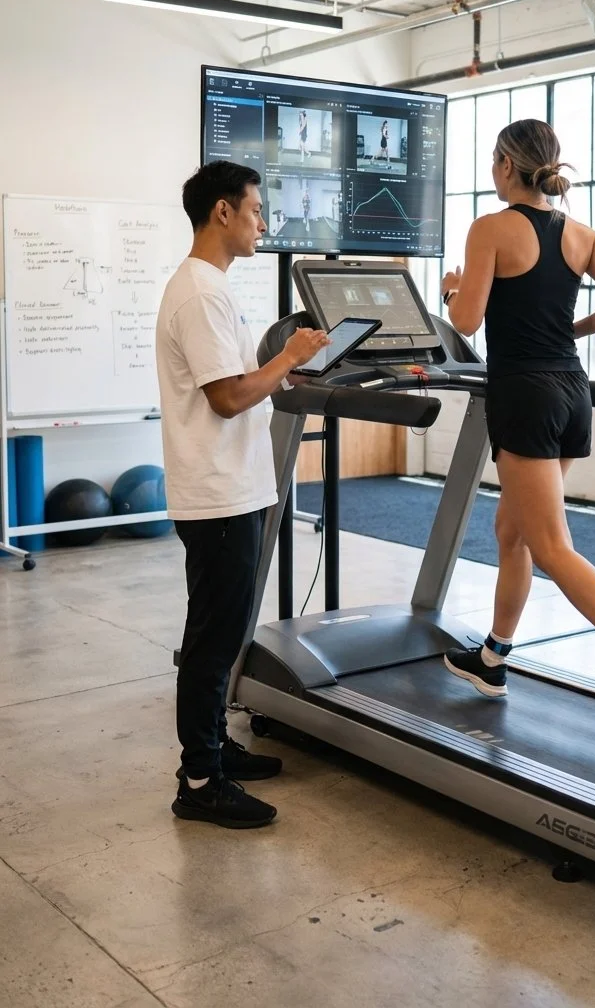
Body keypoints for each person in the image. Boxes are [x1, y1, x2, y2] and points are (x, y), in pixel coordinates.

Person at [440, 119, 595, 742]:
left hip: (523, 394)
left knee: (550, 544)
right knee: (511, 530)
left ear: (502, 165)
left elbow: (466, 319)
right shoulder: (581, 233)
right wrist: (570, 332)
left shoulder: (490, 229)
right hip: (573, 392)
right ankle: (493, 660)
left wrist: (452, 291)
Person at [156, 160, 329, 827]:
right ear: (223, 212)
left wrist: (286, 369)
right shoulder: (200, 293)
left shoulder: (213, 288)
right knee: (211, 640)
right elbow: (227, 398)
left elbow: (239, 382)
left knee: (223, 636)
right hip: (218, 494)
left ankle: (214, 750)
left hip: (236, 488)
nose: (264, 222)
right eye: (256, 210)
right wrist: (287, 360)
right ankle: (198, 782)